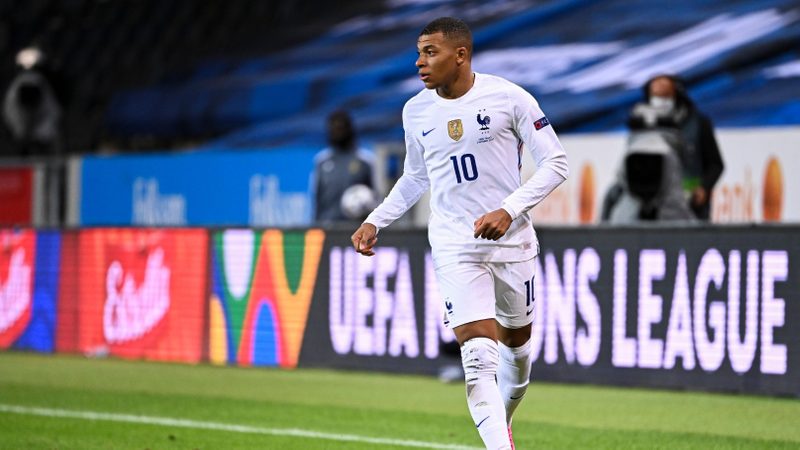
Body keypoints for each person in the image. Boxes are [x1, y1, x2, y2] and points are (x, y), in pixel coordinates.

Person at [350, 17, 568, 449]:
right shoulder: (416, 111)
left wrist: (508, 210)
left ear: (461, 55)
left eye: (430, 52)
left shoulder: (509, 98)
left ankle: (502, 422)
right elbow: (416, 177)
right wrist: (377, 219)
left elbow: (556, 163)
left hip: (512, 242)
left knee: (517, 350)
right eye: (419, 53)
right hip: (454, 243)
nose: (420, 62)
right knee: (477, 355)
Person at [630, 75, 724, 220]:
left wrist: (704, 188)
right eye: (656, 96)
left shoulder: (697, 123)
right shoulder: (641, 124)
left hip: (691, 204)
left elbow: (715, 164)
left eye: (665, 96)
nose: (660, 101)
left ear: (676, 94)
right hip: (652, 204)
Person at [311, 110, 376, 224]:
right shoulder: (321, 161)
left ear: (349, 129)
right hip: (327, 226)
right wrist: (316, 224)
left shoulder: (365, 161)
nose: (337, 133)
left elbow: (376, 196)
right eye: (333, 129)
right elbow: (316, 198)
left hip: (356, 228)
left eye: (340, 128)